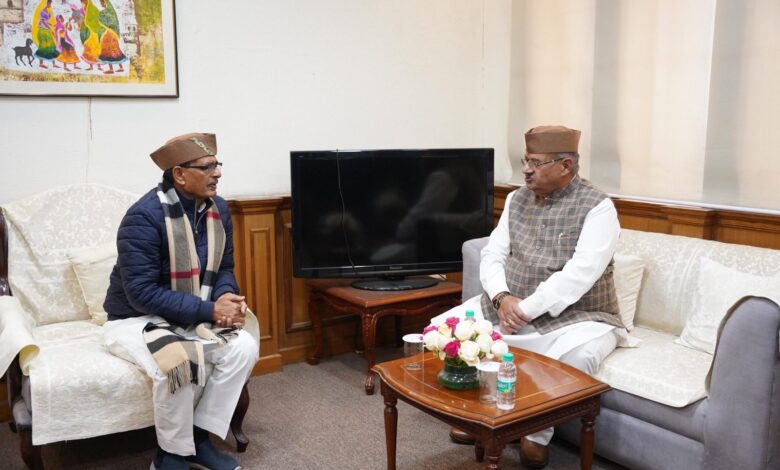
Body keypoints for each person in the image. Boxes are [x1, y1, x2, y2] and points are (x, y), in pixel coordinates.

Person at [440, 126, 629, 468]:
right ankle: (480, 415)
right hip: (509, 304)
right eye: (525, 161)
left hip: (578, 315)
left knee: (579, 356)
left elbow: (579, 275)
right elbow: (493, 254)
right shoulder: (516, 199)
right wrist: (501, 298)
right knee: (446, 328)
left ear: (566, 166)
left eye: (535, 163)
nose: (526, 170)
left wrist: (522, 310)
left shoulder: (598, 207)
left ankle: (535, 434)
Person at [103, 133, 259, 470]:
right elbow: (140, 293)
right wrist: (211, 309)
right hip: (135, 319)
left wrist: (225, 295)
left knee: (243, 346)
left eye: (217, 164)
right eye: (207, 167)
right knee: (179, 359)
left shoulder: (219, 209)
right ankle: (171, 454)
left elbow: (224, 267)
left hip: (190, 313)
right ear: (179, 174)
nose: (217, 173)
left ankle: (199, 439)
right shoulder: (143, 217)